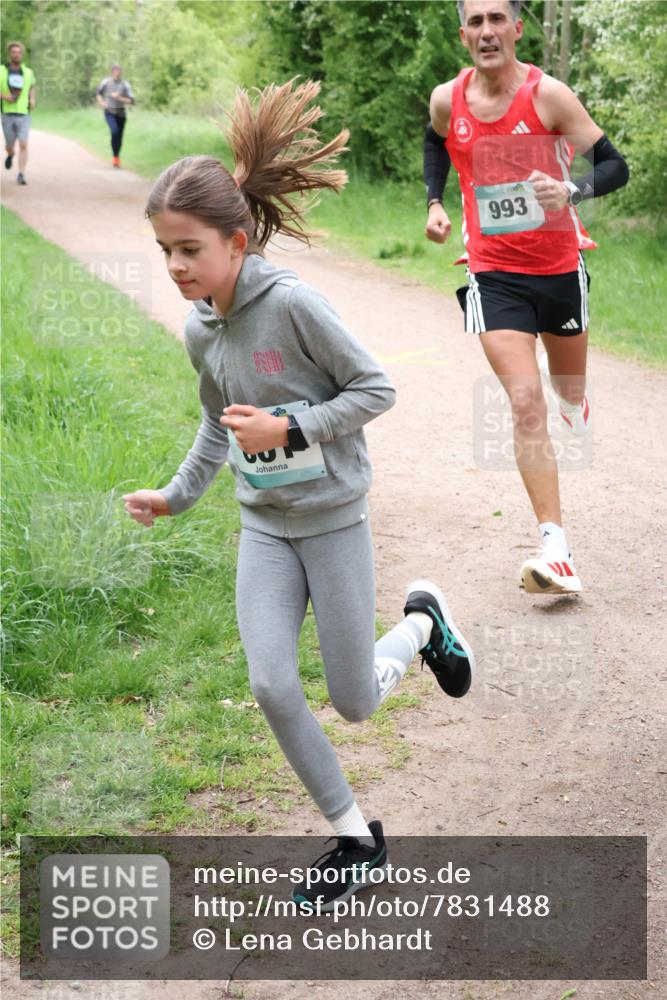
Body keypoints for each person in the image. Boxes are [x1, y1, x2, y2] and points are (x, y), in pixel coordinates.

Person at [123, 80, 475, 910]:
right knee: (273, 684)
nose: (175, 266)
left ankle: (423, 625)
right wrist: (177, 496)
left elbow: (375, 391)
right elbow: (218, 425)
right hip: (264, 530)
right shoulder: (198, 328)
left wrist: (292, 431)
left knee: (354, 701)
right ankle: (355, 837)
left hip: (333, 521)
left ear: (237, 243)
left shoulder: (295, 307)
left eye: (189, 249)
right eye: (164, 250)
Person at [423, 0, 628, 595]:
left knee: (567, 392)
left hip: (561, 269)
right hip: (493, 272)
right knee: (523, 398)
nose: (487, 31)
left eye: (497, 19)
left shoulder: (549, 97)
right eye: (476, 22)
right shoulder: (448, 99)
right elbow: (435, 143)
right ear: (463, 35)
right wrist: (435, 202)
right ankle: (555, 548)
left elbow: (616, 167)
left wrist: (571, 188)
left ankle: (576, 401)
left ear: (516, 28)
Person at [1, 41, 36, 185]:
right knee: (9, 144)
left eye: (19, 52)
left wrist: (32, 98)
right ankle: (10, 154)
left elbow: (32, 86)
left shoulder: (28, 72)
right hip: (7, 113)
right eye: (14, 52)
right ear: (10, 54)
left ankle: (21, 173)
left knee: (23, 143)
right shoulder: (2, 70)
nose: (16, 54)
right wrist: (4, 97)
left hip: (23, 113)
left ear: (22, 54)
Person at [96, 63, 134, 167]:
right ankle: (115, 157)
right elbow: (98, 93)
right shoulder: (106, 82)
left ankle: (116, 157)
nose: (117, 73)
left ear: (120, 73)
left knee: (119, 137)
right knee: (114, 131)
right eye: (115, 71)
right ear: (112, 72)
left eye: (119, 71)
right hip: (109, 112)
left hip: (121, 113)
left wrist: (119, 98)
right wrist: (102, 103)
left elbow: (131, 101)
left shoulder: (125, 84)